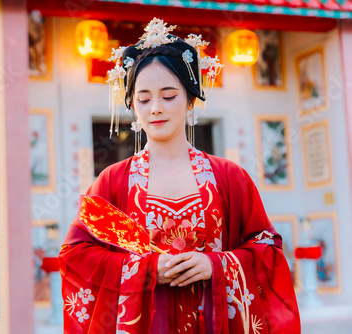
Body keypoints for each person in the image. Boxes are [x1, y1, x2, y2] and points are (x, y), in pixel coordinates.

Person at [60, 18, 300, 333]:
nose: (155, 108)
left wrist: (214, 265)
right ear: (133, 106)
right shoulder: (112, 181)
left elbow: (266, 248)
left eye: (169, 96)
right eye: (143, 99)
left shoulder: (229, 177)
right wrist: (146, 269)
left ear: (190, 100)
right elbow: (77, 254)